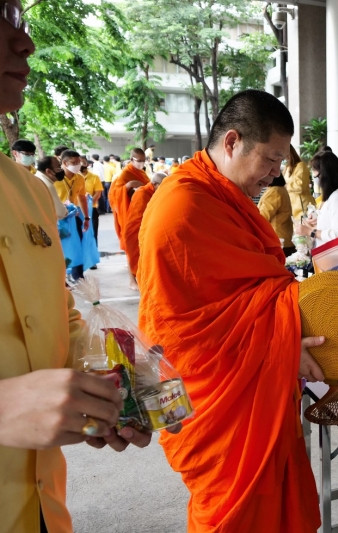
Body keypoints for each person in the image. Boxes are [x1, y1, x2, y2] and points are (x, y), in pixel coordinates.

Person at [137, 89, 323, 532]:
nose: (275, 175)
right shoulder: (185, 204)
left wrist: (285, 331)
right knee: (230, 511)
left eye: (281, 165)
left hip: (253, 383)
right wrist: (280, 341)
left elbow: (259, 286)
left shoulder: (223, 195)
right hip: (213, 393)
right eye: (270, 161)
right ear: (233, 142)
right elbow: (188, 327)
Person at [0, 7, 150, 532]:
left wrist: (114, 385)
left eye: (19, 15)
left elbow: (57, 318)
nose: (26, 43)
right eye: (0, 15)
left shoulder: (29, 191)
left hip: (43, 507)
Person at [297, 151, 338, 247]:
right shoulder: (334, 195)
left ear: (324, 174)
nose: (313, 175)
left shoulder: (337, 197)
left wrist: (311, 231)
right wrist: (317, 218)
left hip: (335, 258)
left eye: (314, 171)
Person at [122, 171, 166, 281]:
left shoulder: (155, 192)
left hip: (148, 230)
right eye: (163, 185)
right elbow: (141, 217)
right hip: (137, 230)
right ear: (155, 184)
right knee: (136, 257)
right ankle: (134, 281)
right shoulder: (142, 193)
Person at [55, 150, 91, 279]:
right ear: (64, 162)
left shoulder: (79, 177)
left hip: (74, 217)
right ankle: (62, 277)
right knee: (60, 248)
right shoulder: (55, 177)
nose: (77, 165)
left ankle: (78, 276)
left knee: (77, 246)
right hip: (58, 219)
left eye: (79, 162)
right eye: (74, 163)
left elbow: (82, 198)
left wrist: (86, 217)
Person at [108, 148, 150, 252]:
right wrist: (128, 186)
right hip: (130, 210)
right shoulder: (125, 173)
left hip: (143, 208)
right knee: (133, 237)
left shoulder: (142, 172)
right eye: (139, 161)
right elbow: (114, 194)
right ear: (131, 159)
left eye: (144, 160)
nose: (142, 163)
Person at [257, 175, 294, 256]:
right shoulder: (280, 189)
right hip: (283, 238)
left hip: (277, 239)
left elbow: (263, 216)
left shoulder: (275, 191)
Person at [283, 145, 314, 218]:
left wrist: (286, 186)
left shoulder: (301, 165)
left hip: (302, 207)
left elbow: (300, 186)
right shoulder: (287, 168)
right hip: (292, 207)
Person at [34, 155, 68, 220]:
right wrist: (66, 210)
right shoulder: (46, 185)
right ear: (49, 171)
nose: (61, 170)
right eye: (58, 167)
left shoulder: (36, 178)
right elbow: (61, 213)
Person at [82, 156, 104, 243]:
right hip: (77, 211)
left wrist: (89, 204)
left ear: (87, 164)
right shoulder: (72, 178)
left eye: (83, 162)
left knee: (93, 234)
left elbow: (98, 192)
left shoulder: (94, 177)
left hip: (92, 209)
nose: (80, 164)